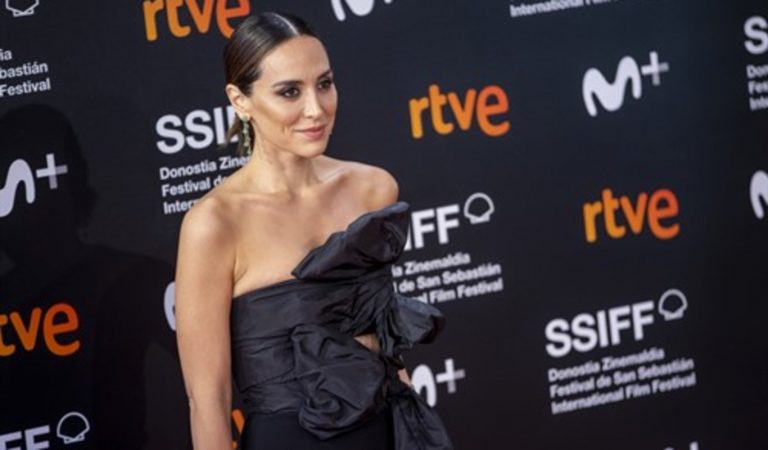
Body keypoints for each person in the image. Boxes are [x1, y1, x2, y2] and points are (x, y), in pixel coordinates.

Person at [174, 12, 453, 450]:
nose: (316, 109)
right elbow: (208, 400)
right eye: (290, 91)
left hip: (385, 432)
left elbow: (386, 347)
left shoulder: (371, 189)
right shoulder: (214, 224)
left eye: (324, 84)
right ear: (240, 100)